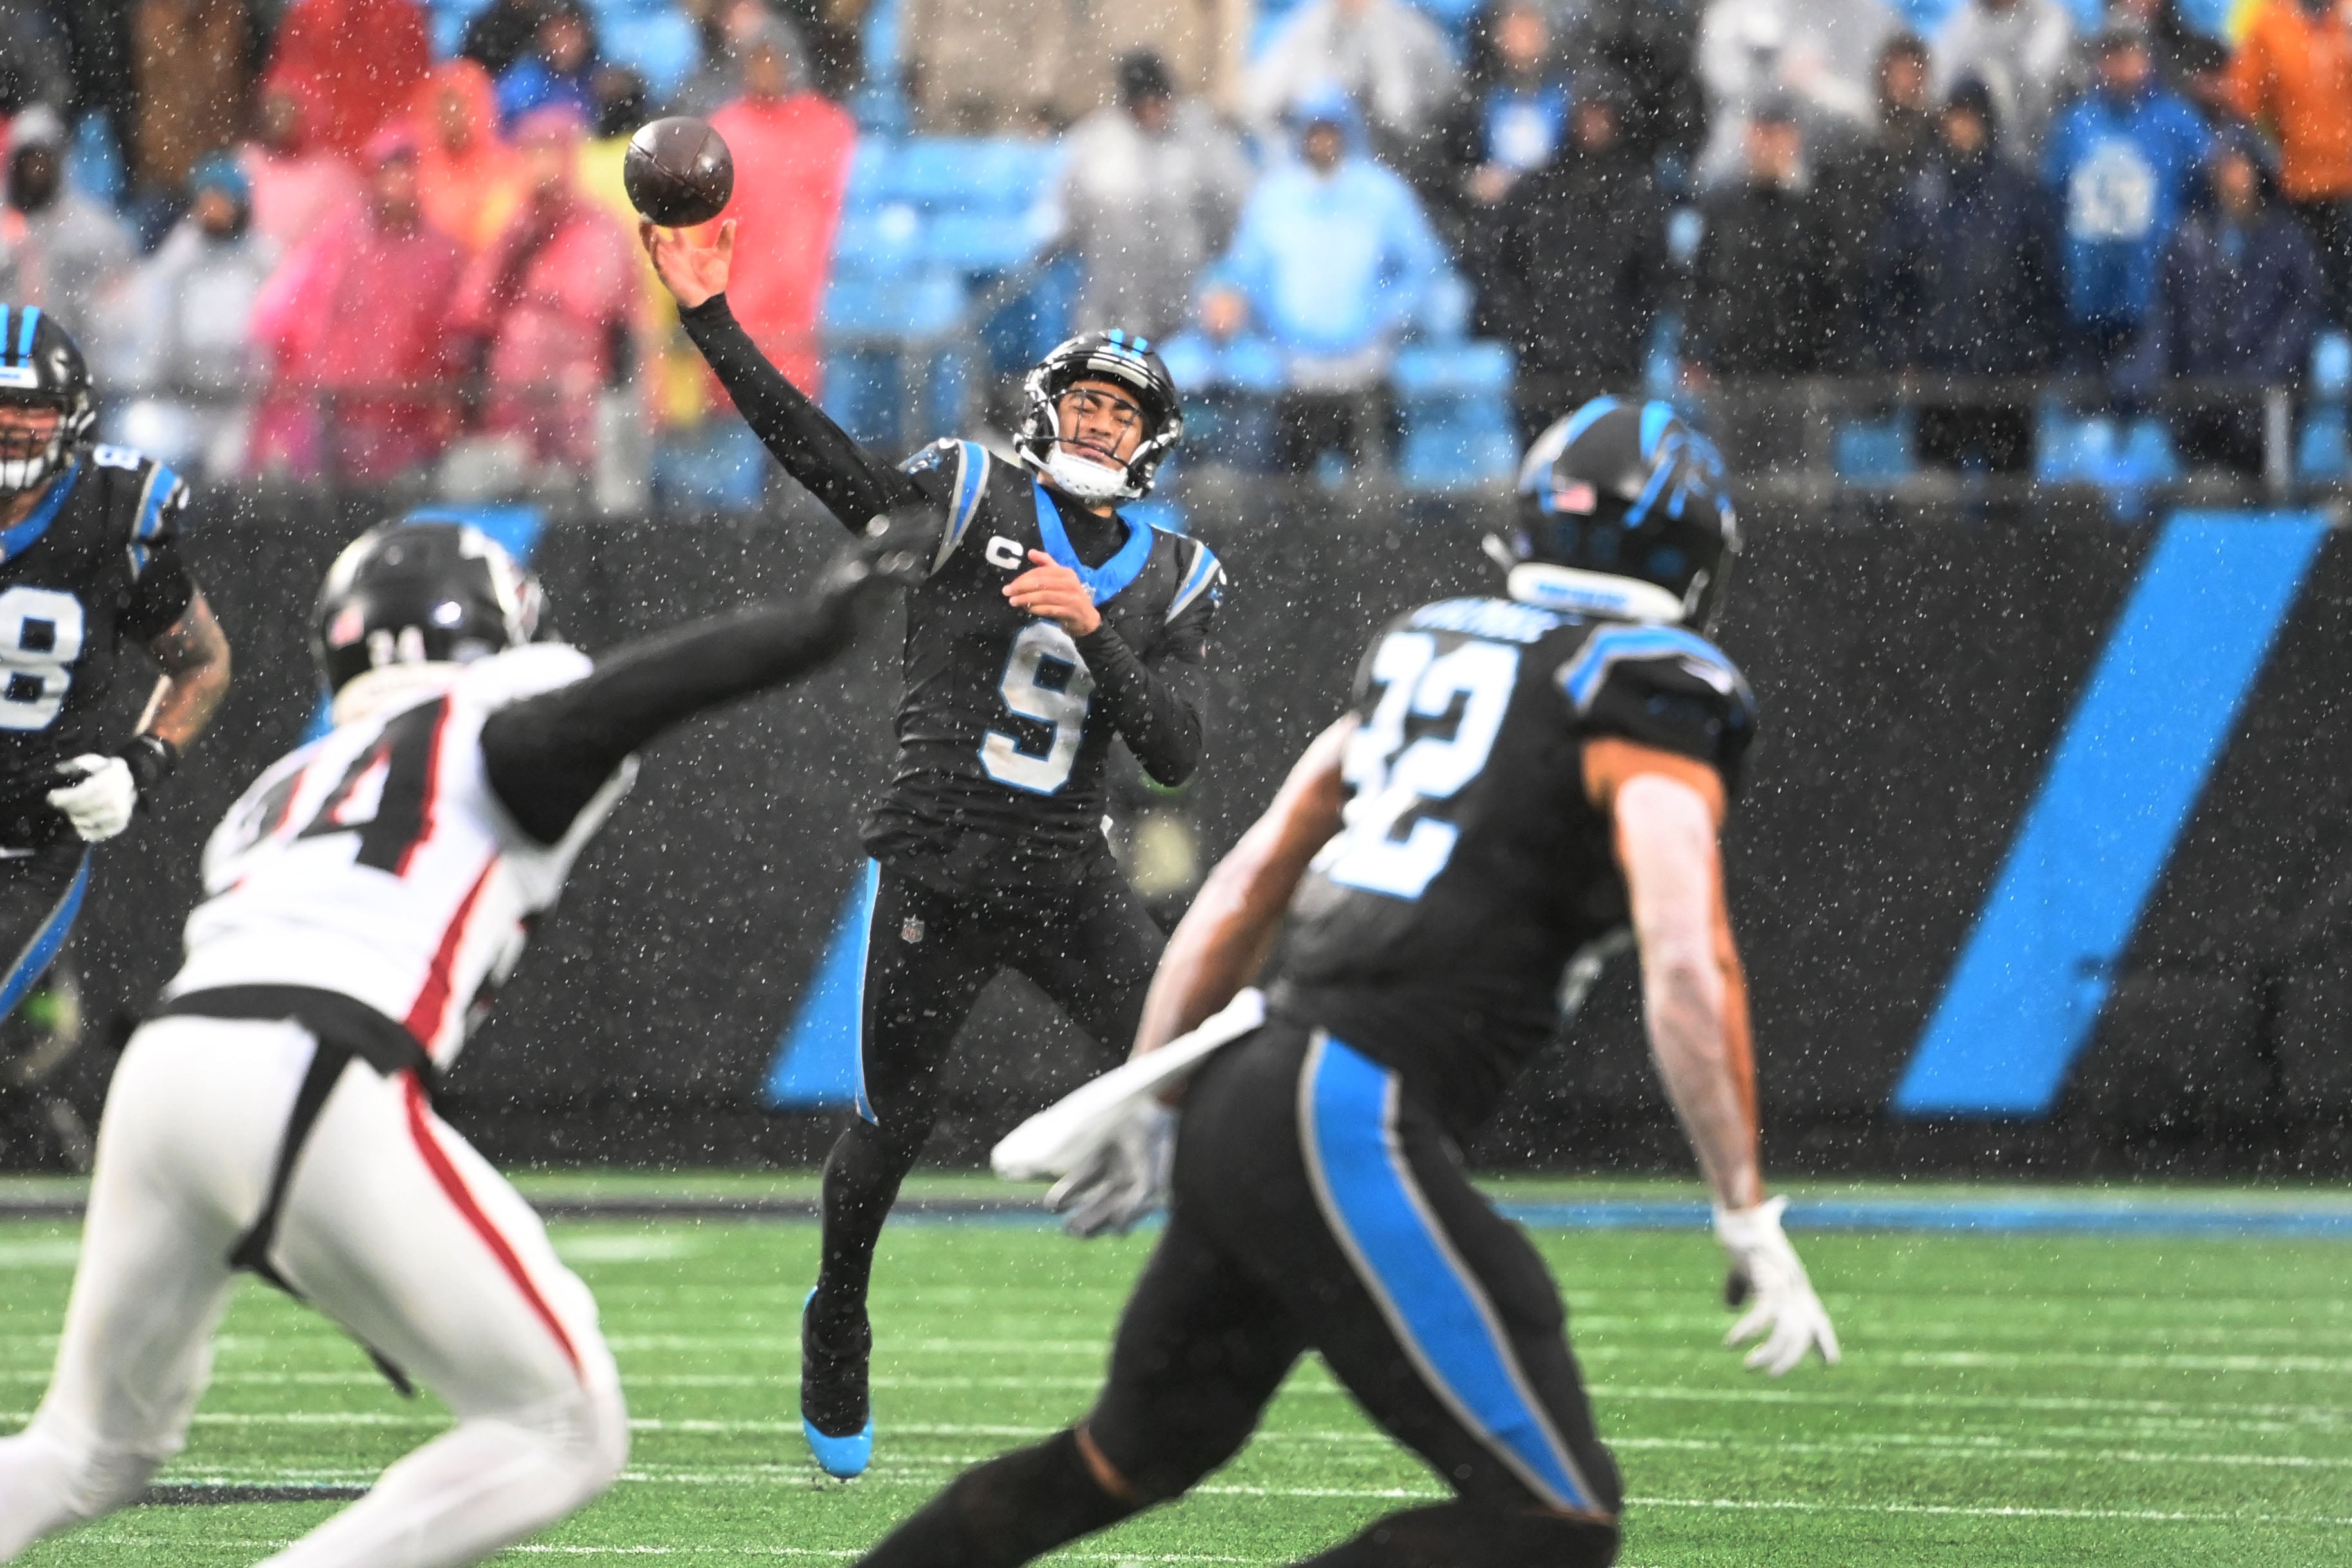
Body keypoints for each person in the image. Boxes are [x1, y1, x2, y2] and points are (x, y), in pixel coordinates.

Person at [846, 396, 1838, 1568]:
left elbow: (1246, 883)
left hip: (1247, 1084)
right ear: (1682, 552)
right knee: (1551, 1514)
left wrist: (1160, 1090)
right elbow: (1686, 954)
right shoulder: (1658, 683)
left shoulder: (1434, 642)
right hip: (1347, 1109)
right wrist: (1741, 1203)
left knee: (1127, 1454)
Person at [0, 510, 921, 1566]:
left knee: (86, 1445)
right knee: (566, 1428)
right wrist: (807, 629)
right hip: (315, 1057)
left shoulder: (282, 787)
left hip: (170, 1063)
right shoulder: (494, 721)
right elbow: (612, 705)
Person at [643, 215, 1223, 1481]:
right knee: (893, 1120)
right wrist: (710, 321)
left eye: (1123, 414)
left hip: (1068, 875)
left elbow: (1175, 750)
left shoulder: (1174, 571)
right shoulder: (971, 491)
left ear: (1152, 441)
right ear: (1047, 407)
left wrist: (1094, 633)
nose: (1098, 423)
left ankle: (1205, 1350)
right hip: (940, 866)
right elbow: (831, 467)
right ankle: (836, 1314)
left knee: (1196, 1083)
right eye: (1084, 401)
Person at [0, 305, 233, 1034]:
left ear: (72, 418)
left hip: (29, 839)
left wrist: (140, 765)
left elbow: (203, 661)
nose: (10, 426)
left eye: (31, 409)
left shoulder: (109, 518)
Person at [1198, 91, 1446, 475]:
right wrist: (1236, 303)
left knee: (1371, 498)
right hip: (1293, 373)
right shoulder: (1274, 196)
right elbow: (1243, 270)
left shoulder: (1382, 193)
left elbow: (1423, 266)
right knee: (1295, 493)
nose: (1322, 140)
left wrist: (1387, 319)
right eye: (1314, 130)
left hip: (1368, 371)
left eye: (1331, 129)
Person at [248, 130, 465, 484]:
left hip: (405, 419)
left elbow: (451, 336)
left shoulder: (441, 252)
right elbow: (285, 307)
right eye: (388, 170)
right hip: (338, 410)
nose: (397, 181)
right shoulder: (341, 236)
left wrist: (443, 403)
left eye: (405, 170)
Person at [1877, 80, 2061, 473]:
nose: (1961, 128)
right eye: (1954, 117)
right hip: (1938, 372)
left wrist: (2036, 351)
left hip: (2006, 375)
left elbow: (2045, 281)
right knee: (1936, 503)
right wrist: (1903, 351)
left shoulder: (2019, 193)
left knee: (2008, 502)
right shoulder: (1920, 194)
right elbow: (1889, 280)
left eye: (1970, 118)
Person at [2123, 131, 2326, 476]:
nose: (2229, 176)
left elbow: (2298, 322)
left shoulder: (2287, 240)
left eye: (2238, 164)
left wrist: (2252, 383)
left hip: (2263, 407)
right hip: (2200, 404)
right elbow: (2167, 321)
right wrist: (2142, 379)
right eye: (2222, 166)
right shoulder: (2189, 238)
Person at [1482, 69, 1671, 439]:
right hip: (1542, 371)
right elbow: (1500, 266)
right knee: (1546, 476)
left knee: (1607, 477)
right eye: (1587, 112)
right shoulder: (1534, 191)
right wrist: (1527, 332)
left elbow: (1654, 280)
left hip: (1613, 370)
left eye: (1603, 113)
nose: (1594, 124)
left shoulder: (1640, 196)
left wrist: (1624, 339)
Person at [456, 107, 638, 473]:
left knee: (574, 504)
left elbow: (606, 311)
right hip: (513, 403)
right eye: (533, 152)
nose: (541, 164)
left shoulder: (599, 230)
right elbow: (476, 308)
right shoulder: (511, 227)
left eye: (549, 151)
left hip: (578, 405)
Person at [2043, 18, 2211, 369]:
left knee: (2143, 405)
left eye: (2128, 53)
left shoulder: (2176, 121)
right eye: (2110, 54)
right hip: (2085, 296)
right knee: (2084, 411)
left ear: (2147, 58)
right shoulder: (2076, 124)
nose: (2119, 65)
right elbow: (2053, 196)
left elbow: (2207, 189)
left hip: (2151, 297)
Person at [1057, 51, 1250, 343]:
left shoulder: (1200, 139)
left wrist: (1219, 274)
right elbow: (1064, 212)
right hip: (1112, 308)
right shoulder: (1096, 144)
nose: (1152, 112)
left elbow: (1236, 204)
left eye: (1158, 102)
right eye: (1142, 105)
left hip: (1185, 311)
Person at [704, 23, 855, 396]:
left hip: (811, 302)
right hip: (745, 306)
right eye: (756, 60)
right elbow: (707, 234)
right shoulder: (724, 131)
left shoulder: (829, 126)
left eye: (773, 58)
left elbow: (848, 211)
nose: (765, 70)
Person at [107, 155, 279, 480]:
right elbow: (156, 318)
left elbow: (276, 327)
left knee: (232, 477)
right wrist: (153, 373)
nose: (212, 209)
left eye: (220, 200)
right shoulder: (181, 253)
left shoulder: (264, 257)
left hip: (241, 402)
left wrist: (262, 378)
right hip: (186, 396)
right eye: (206, 199)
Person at [1683, 101, 1843, 385]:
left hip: (1798, 374)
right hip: (1731, 369)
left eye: (1776, 136)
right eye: (1761, 135)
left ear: (1794, 141)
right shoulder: (1723, 208)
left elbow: (1829, 292)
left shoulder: (1814, 213)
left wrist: (1827, 363)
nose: (1768, 146)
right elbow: (1702, 284)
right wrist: (1695, 350)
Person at [2223, 0, 2352, 326]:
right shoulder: (2271, 25)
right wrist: (2270, 157)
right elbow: (2243, 101)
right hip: (2298, 189)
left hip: (2346, 185)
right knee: (2309, 290)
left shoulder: (2345, 19)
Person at [1418, 0, 1572, 242]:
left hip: (1556, 218)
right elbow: (1448, 164)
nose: (1522, 41)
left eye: (1530, 30)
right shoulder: (1476, 97)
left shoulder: (1568, 96)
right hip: (1492, 226)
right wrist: (1472, 182)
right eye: (1515, 31)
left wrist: (1531, 182)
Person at [1244, 0, 1460, 159]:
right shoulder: (1311, 25)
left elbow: (1401, 113)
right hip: (1320, 152)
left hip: (1395, 153)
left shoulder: (1407, 28)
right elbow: (1261, 99)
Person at [259, 0, 430, 160]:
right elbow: (289, 91)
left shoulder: (401, 16)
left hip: (386, 159)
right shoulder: (307, 19)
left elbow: (417, 90)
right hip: (326, 162)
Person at [1929, 0, 2075, 166]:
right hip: (1984, 123)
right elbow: (1941, 77)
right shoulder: (1966, 18)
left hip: (2042, 129)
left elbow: (2038, 73)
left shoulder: (2046, 15)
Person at [413, 60, 526, 257]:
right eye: (443, 104)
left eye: (460, 104)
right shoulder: (419, 164)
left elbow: (498, 232)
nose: (450, 114)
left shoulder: (506, 166)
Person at [239, 86, 362, 255]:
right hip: (255, 268)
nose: (280, 120)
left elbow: (353, 230)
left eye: (288, 111)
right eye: (275, 111)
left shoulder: (332, 173)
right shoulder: (247, 162)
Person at [496, 0, 599, 129]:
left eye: (570, 30)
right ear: (542, 36)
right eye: (556, 31)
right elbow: (501, 125)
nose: (564, 42)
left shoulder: (599, 78)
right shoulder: (526, 80)